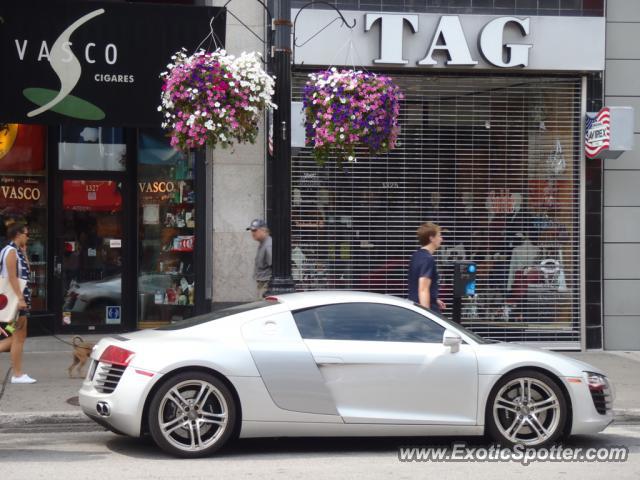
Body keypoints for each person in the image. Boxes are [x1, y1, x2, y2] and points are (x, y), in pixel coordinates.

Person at [0, 221, 37, 384]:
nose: (28, 237)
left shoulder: (16, 251)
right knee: (19, 336)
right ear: (18, 235)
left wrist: (25, 252)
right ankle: (17, 374)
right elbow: (12, 278)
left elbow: (27, 271)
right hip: (16, 300)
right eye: (26, 234)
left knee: (16, 334)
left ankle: (18, 373)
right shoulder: (10, 252)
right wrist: (20, 299)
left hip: (19, 299)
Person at [407, 222, 446, 313]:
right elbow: (423, 289)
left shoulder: (416, 255)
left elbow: (417, 285)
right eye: (439, 235)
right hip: (424, 312)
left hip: (414, 308)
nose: (441, 239)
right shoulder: (428, 259)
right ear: (431, 238)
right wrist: (427, 316)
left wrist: (434, 299)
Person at [246, 219, 272, 299]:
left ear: (263, 230)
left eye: (254, 230)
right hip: (263, 283)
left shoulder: (268, 245)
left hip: (266, 285)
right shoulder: (263, 243)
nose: (252, 233)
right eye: (251, 231)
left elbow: (274, 266)